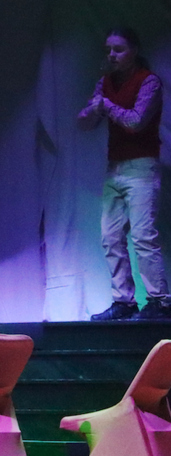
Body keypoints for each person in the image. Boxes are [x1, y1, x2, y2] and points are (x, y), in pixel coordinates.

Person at [78, 27, 171, 320]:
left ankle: (160, 301)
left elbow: (136, 122)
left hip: (142, 167)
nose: (111, 55)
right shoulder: (105, 83)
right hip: (115, 168)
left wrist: (105, 105)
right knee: (110, 236)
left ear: (134, 51)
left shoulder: (149, 81)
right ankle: (123, 301)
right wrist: (91, 110)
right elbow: (84, 123)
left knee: (143, 236)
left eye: (118, 49)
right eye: (108, 50)